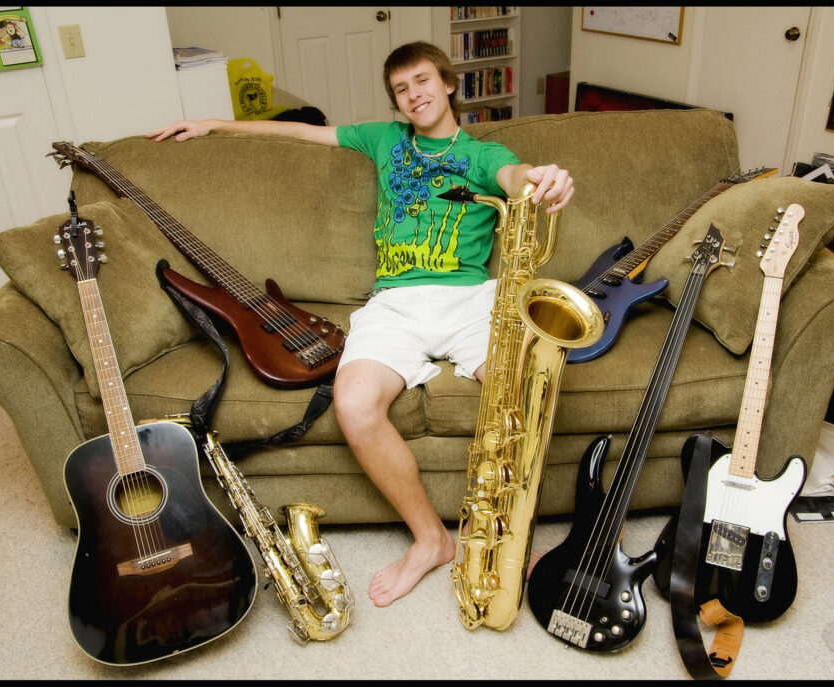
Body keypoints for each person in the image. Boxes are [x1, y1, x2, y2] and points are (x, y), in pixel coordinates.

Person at [146, 41, 574, 607]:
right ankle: (431, 541)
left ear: (448, 84)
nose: (414, 94)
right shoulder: (383, 139)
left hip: (472, 300)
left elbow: (516, 176)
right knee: (352, 403)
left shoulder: (482, 152)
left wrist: (541, 180)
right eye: (401, 89)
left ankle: (508, 532)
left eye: (423, 81)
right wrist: (209, 123)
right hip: (393, 304)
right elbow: (300, 132)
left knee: (523, 394)